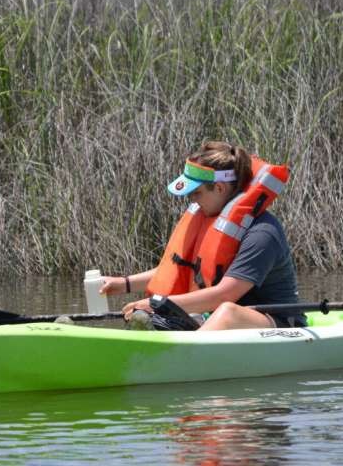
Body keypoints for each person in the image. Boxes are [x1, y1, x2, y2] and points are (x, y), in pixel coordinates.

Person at [100, 141, 305, 330]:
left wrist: (157, 303)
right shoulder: (208, 220)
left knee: (227, 313)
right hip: (217, 318)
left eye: (196, 193)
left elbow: (226, 294)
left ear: (219, 187)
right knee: (151, 318)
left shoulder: (262, 233)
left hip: (279, 323)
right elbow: (177, 269)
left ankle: (180, 361)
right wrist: (123, 284)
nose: (192, 200)